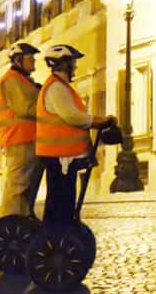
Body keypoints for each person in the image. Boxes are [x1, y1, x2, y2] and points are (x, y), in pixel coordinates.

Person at [36, 44, 115, 226]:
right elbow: (72, 116)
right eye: (72, 62)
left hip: (64, 155)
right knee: (60, 202)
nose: (75, 66)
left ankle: (59, 236)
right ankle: (55, 238)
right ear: (63, 63)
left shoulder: (61, 87)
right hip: (60, 155)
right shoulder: (56, 87)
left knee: (63, 201)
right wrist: (99, 120)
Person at [0, 43, 45, 218]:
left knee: (27, 187)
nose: (34, 61)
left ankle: (23, 222)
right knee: (19, 187)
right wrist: (49, 108)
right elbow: (26, 107)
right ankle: (13, 223)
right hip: (19, 140)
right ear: (18, 60)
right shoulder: (11, 80)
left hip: (27, 139)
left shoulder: (23, 81)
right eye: (30, 58)